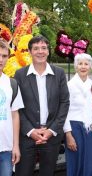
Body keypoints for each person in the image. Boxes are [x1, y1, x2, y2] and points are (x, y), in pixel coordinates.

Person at [14, 35, 69, 176]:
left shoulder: (59, 73)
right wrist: (30, 131)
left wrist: (52, 130)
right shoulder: (20, 74)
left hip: (51, 135)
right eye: (36, 48)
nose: (40, 51)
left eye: (44, 48)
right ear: (30, 52)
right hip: (27, 136)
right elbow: (16, 107)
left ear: (48, 51)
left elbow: (64, 103)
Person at [63, 53, 92, 176]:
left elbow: (90, 104)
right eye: (80, 64)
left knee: (91, 163)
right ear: (76, 66)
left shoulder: (89, 83)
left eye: (86, 64)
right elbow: (64, 111)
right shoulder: (70, 85)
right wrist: (68, 135)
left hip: (88, 128)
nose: (83, 66)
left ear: (90, 67)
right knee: (76, 163)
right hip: (74, 128)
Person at [0, 40, 24, 176]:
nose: (1, 59)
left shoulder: (12, 84)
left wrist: (16, 146)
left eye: (4, 56)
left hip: (6, 149)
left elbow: (15, 116)